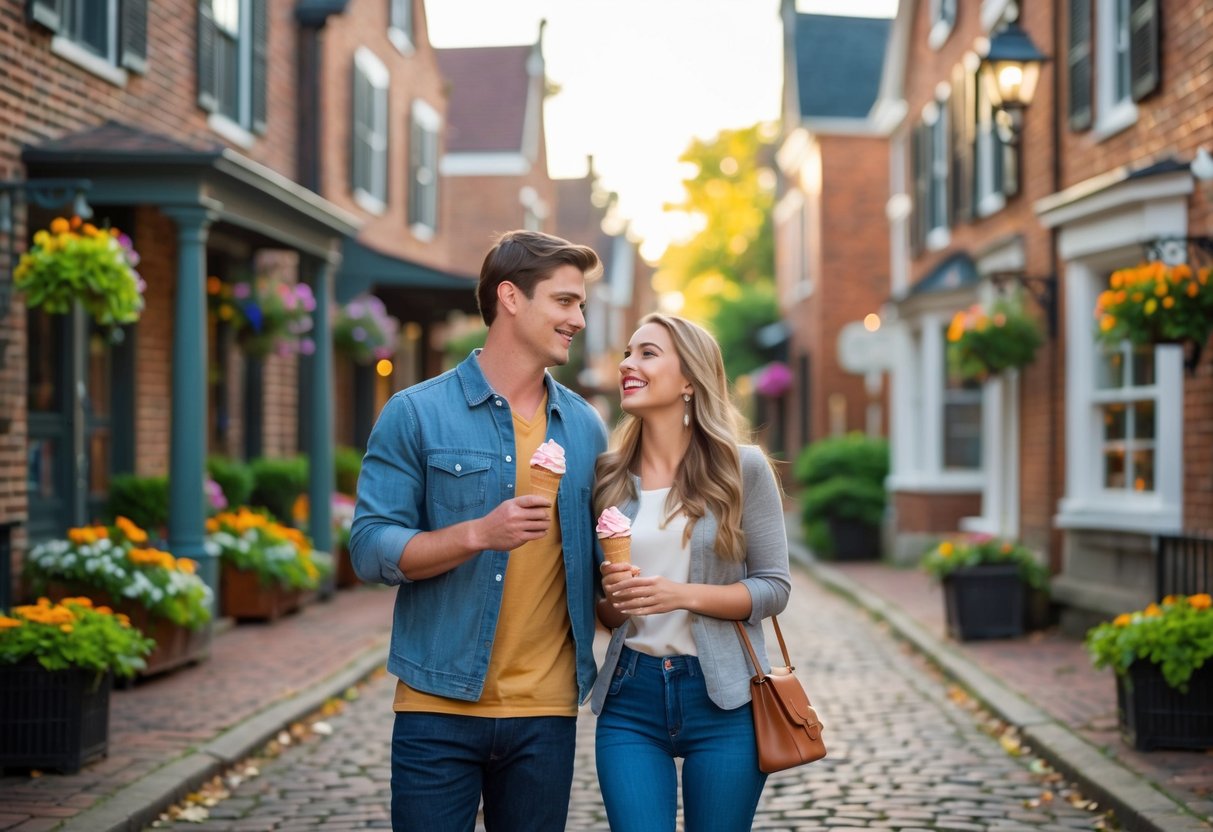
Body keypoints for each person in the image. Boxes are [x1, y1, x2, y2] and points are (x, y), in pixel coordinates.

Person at [348, 230, 607, 832]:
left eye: (582, 305)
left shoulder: (586, 427)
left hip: (546, 713)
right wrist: (477, 534)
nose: (578, 319)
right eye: (565, 302)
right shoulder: (415, 412)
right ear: (511, 298)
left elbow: (596, 572)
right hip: (437, 707)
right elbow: (368, 547)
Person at [591, 313, 791, 832]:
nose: (628, 364)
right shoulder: (607, 477)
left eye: (648, 353)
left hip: (724, 697)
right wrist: (613, 599)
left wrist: (680, 594)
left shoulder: (742, 468)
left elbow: (774, 588)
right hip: (629, 698)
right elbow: (606, 612)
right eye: (628, 352)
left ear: (689, 381)